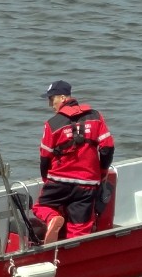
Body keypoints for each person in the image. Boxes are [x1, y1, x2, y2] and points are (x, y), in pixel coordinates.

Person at [32, 80, 114, 242]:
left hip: (59, 181)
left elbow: (44, 158)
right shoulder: (96, 117)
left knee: (41, 206)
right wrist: (102, 172)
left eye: (52, 99)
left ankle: (52, 218)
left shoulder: (52, 124)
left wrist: (46, 180)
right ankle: (74, 256)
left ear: (63, 98)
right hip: (88, 183)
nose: (50, 105)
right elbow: (107, 148)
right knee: (80, 227)